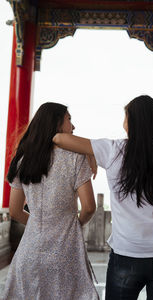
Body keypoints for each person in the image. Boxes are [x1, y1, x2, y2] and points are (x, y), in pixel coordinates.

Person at [53, 95, 153, 300]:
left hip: (127, 253)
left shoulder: (113, 150)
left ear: (130, 121)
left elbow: (59, 138)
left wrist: (90, 153)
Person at [2, 102, 99, 300]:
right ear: (56, 123)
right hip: (66, 253)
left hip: (29, 252)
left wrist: (41, 224)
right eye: (69, 119)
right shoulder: (75, 158)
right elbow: (89, 207)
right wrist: (73, 224)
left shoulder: (22, 160)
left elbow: (14, 211)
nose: (73, 126)